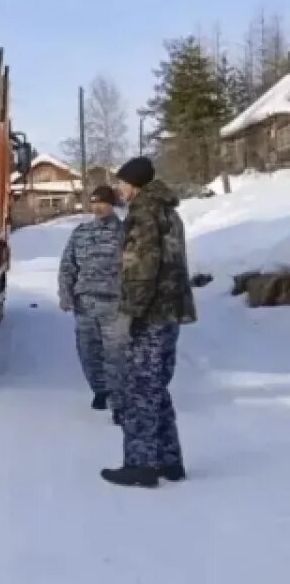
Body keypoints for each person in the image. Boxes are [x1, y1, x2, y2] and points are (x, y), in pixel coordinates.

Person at [101, 157, 196, 488]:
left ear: (135, 184)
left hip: (151, 313)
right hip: (170, 312)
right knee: (157, 387)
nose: (119, 190)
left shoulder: (143, 214)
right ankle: (170, 461)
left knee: (140, 388)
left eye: (122, 184)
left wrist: (132, 312)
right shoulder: (169, 211)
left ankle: (141, 465)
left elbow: (142, 268)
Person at [58, 184, 127, 422]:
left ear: (112, 204)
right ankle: (100, 390)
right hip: (85, 304)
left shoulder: (125, 232)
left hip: (116, 304)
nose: (98, 207)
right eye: (95, 202)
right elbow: (68, 266)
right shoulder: (81, 232)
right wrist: (65, 295)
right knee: (88, 352)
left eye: (103, 203)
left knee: (116, 354)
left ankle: (120, 402)